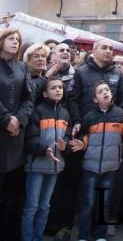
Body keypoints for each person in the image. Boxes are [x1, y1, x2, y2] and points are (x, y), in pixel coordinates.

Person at [71, 82, 123, 241]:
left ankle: (100, 235)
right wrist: (83, 143)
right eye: (101, 91)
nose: (105, 93)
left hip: (111, 167)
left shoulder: (119, 113)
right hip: (90, 166)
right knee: (88, 204)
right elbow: (84, 136)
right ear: (95, 99)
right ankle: (82, 235)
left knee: (104, 203)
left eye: (107, 90)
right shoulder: (89, 116)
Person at [21, 76, 72, 241]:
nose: (58, 90)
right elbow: (30, 138)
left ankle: (38, 237)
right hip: (37, 165)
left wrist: (68, 145)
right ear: (44, 93)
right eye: (53, 88)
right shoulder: (38, 111)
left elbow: (68, 137)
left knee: (45, 206)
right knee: (32, 206)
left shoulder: (65, 113)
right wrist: (45, 150)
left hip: (55, 166)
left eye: (60, 87)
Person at [0, 28, 34, 241]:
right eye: (11, 39)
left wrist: (19, 120)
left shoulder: (22, 67)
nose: (15, 42)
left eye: (18, 40)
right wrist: (6, 119)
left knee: (12, 195)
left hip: (15, 138)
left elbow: (29, 98)